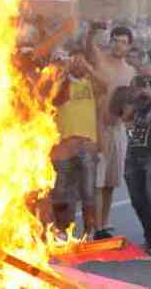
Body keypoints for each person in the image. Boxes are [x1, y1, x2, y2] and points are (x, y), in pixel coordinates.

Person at [113, 75, 151, 256]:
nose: (137, 90)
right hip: (134, 155)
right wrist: (132, 99)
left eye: (141, 87)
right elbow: (124, 118)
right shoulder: (135, 103)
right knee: (138, 200)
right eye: (135, 87)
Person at [85, 23, 136, 238]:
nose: (118, 45)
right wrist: (91, 32)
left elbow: (131, 103)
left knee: (110, 182)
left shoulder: (131, 71)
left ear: (129, 46)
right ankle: (96, 227)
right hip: (97, 126)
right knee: (97, 179)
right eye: (115, 40)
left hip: (118, 129)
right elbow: (88, 48)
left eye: (123, 42)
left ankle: (104, 223)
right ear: (110, 41)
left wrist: (127, 116)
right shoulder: (100, 59)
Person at [51, 49, 103, 239]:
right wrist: (64, 72)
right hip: (65, 146)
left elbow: (106, 86)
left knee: (88, 191)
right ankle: (64, 229)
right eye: (76, 61)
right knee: (63, 191)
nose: (80, 65)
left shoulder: (90, 82)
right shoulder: (61, 82)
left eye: (83, 61)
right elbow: (57, 99)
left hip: (88, 145)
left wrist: (89, 67)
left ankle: (89, 231)